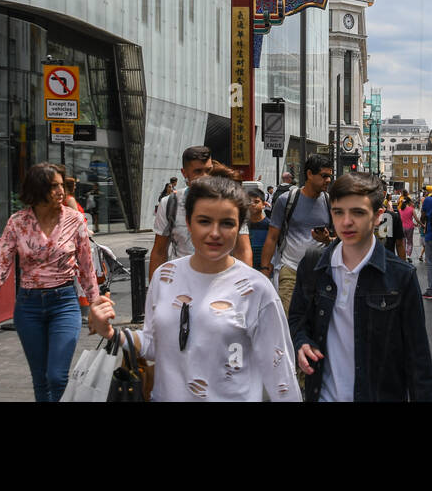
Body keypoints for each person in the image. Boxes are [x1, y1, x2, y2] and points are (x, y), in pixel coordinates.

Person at [89, 176, 299, 401]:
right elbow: (154, 344)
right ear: (189, 223)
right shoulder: (165, 277)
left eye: (227, 223)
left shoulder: (256, 288)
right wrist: (111, 333)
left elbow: (280, 371)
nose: (215, 233)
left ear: (240, 227)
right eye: (204, 221)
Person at [288, 172, 432, 401]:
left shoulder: (401, 277)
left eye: (357, 212)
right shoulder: (312, 266)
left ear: (377, 216)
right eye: (338, 212)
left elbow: (418, 360)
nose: (346, 222)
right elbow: (297, 318)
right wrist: (302, 342)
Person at [0, 163, 108, 402]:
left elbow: (86, 267)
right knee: (40, 379)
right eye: (53, 186)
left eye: (61, 185)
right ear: (38, 189)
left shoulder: (74, 220)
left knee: (57, 376)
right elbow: (0, 265)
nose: (60, 191)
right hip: (28, 306)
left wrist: (95, 307)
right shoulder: (18, 222)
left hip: (64, 303)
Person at [150, 146, 252, 277]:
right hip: (182, 283)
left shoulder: (230, 201)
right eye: (198, 171)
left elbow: (242, 249)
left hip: (222, 281)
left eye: (208, 170)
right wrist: (156, 290)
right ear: (184, 173)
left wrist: (246, 285)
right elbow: (159, 251)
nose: (205, 177)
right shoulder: (170, 203)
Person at [260, 154, 334, 312]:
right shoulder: (286, 200)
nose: (328, 180)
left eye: (330, 176)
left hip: (320, 272)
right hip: (290, 269)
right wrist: (265, 270)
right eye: (324, 176)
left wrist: (327, 240)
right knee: (287, 320)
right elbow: (272, 237)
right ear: (309, 174)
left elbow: (338, 240)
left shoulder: (330, 202)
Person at [245, 183, 270, 265]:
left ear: (264, 204)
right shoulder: (242, 226)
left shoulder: (269, 225)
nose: (252, 204)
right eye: (249, 202)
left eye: (256, 202)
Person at [399, 194, 416, 261]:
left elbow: (400, 219)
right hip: (410, 227)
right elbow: (416, 219)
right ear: (409, 202)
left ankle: (404, 256)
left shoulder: (400, 210)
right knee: (410, 242)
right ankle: (408, 255)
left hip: (402, 227)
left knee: (403, 242)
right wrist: (421, 224)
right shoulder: (411, 209)